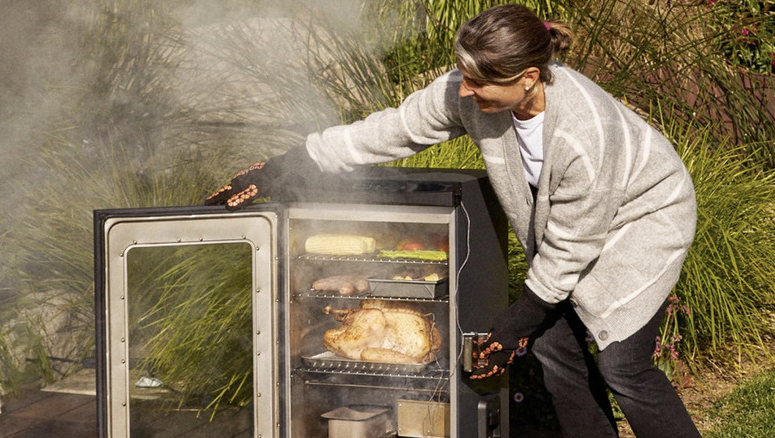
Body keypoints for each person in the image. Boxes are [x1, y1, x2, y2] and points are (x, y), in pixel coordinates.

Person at [206, 5, 701, 437]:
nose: (465, 89)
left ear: (528, 77)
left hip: (642, 217)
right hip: (577, 221)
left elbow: (569, 250)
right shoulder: (471, 89)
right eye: (463, 74)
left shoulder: (584, 135)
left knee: (623, 364)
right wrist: (289, 164)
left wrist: (511, 327)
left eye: (480, 81)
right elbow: (393, 129)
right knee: (553, 349)